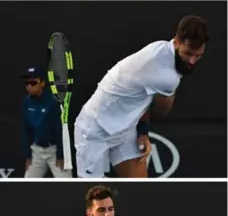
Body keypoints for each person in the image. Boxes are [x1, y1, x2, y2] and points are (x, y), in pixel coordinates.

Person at [74, 15, 210, 178]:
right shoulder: (167, 77)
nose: (193, 61)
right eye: (188, 53)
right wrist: (145, 125)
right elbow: (161, 110)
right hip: (94, 128)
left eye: (198, 55)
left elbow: (143, 98)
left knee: (140, 190)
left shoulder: (162, 46)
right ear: (176, 42)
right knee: (94, 193)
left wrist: (142, 131)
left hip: (125, 129)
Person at [21, 66, 71, 178]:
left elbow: (59, 130)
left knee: (66, 184)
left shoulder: (53, 102)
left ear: (42, 83)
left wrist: (61, 155)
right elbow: (26, 130)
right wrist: (28, 156)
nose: (29, 86)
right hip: (37, 151)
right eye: (27, 83)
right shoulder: (26, 102)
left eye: (33, 82)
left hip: (54, 151)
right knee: (26, 184)